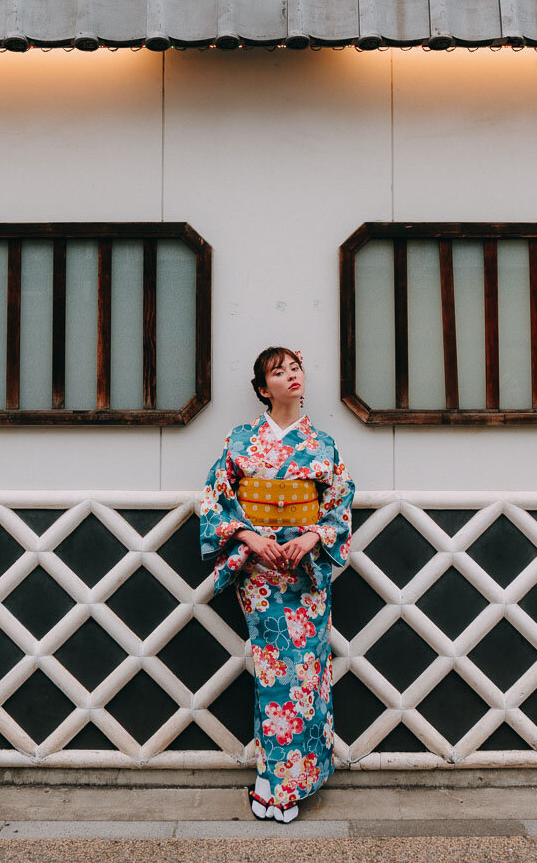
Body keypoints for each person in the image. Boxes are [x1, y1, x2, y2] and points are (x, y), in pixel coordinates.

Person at [198, 346, 354, 823]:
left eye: (295, 367)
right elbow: (214, 499)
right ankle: (274, 777)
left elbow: (339, 506)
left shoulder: (322, 444)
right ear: (263, 389)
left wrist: (311, 537)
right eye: (278, 371)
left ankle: (289, 782)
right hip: (261, 575)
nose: (291, 375)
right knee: (273, 671)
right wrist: (249, 537)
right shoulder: (241, 440)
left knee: (306, 670)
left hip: (305, 574)